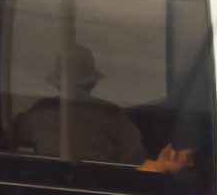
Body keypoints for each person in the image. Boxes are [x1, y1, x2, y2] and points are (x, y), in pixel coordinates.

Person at [14, 45, 191, 174]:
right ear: (93, 82)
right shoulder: (113, 116)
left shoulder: (34, 115)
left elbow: (14, 142)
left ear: (58, 83)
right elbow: (136, 164)